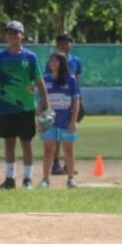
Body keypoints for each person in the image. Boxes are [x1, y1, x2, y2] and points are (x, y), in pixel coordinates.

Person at [0, 21, 49, 190]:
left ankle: (27, 179)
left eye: (16, 33)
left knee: (26, 143)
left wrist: (45, 102)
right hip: (6, 106)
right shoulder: (0, 58)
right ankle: (10, 179)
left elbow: (39, 81)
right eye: (9, 33)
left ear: (22, 36)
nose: (13, 36)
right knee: (9, 143)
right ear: (6, 36)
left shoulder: (30, 57)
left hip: (26, 107)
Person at [39, 52, 81, 189]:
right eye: (51, 61)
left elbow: (76, 101)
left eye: (56, 61)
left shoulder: (71, 79)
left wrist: (73, 121)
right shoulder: (45, 79)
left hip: (66, 118)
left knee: (68, 149)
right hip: (50, 118)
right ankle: (45, 179)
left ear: (62, 63)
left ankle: (71, 179)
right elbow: (42, 102)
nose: (53, 63)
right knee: (48, 149)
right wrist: (39, 118)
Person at [51, 33, 82, 175]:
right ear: (58, 45)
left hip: (71, 101)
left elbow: (77, 80)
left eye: (68, 42)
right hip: (57, 102)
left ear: (72, 45)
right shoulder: (53, 60)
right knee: (56, 135)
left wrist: (80, 100)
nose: (66, 45)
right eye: (62, 43)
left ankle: (67, 165)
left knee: (70, 131)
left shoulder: (76, 60)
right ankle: (55, 163)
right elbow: (48, 79)